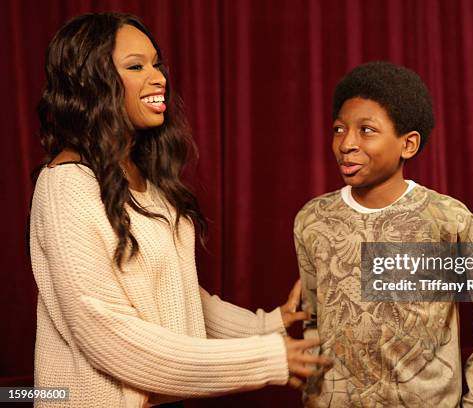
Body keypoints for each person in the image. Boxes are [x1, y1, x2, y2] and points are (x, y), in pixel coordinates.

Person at [30, 12, 328, 407]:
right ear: (90, 84)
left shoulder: (143, 179)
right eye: (136, 66)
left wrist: (269, 324)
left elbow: (175, 295)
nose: (159, 78)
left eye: (157, 64)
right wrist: (267, 358)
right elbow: (110, 336)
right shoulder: (67, 185)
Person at [294, 61, 473, 407]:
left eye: (366, 130)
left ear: (409, 144)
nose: (346, 144)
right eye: (339, 129)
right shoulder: (312, 219)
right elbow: (313, 316)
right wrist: (314, 394)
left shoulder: (447, 220)